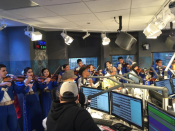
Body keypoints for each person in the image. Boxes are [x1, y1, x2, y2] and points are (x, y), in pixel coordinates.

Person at [0, 64, 26, 131]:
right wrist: (2, 85)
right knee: (2, 128)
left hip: (11, 107)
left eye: (6, 70)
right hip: (1, 108)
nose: (6, 72)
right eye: (3, 71)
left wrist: (25, 84)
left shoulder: (10, 80)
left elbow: (18, 91)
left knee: (14, 128)